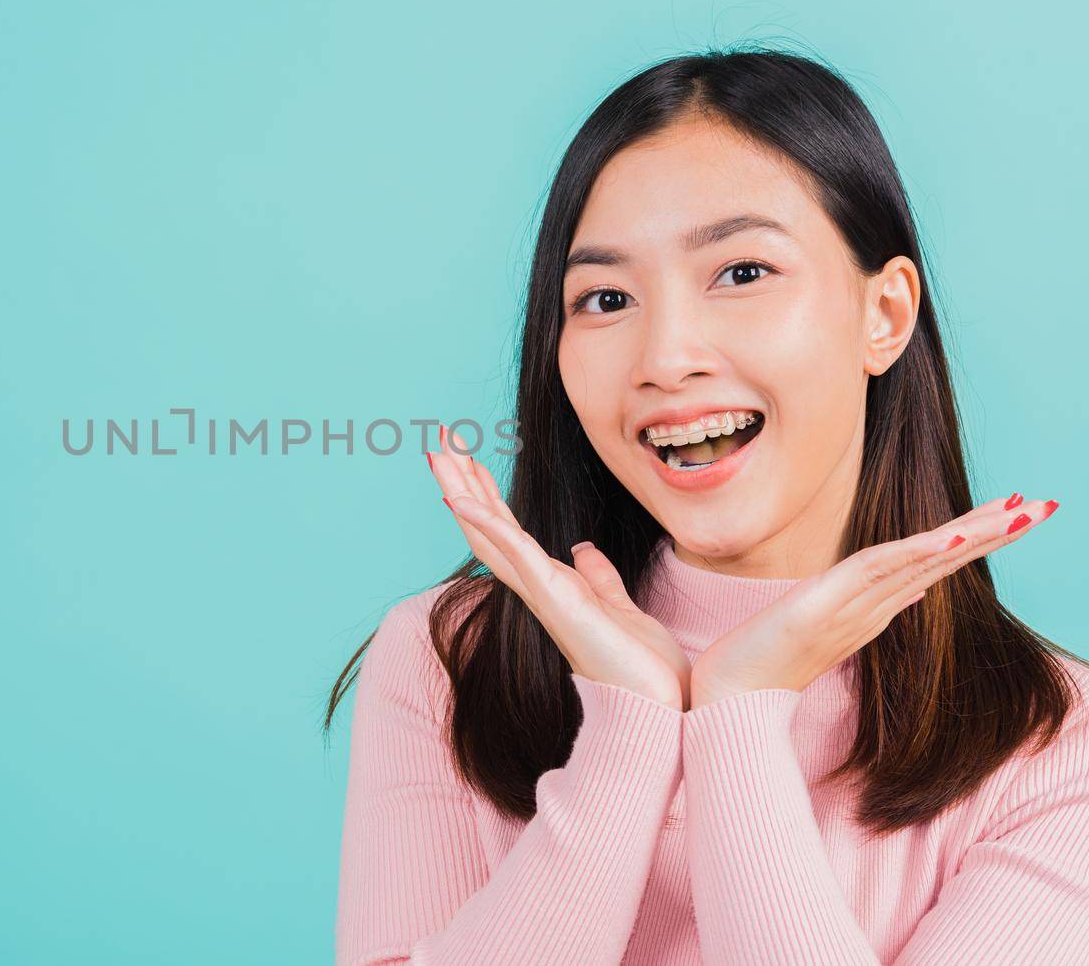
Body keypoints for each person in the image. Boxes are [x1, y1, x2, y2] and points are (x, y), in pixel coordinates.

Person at [324, 48, 1086, 965]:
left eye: (742, 273)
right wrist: (627, 726)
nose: (666, 356)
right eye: (606, 298)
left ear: (883, 315)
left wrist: (739, 720)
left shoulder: (1058, 744)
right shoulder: (449, 660)